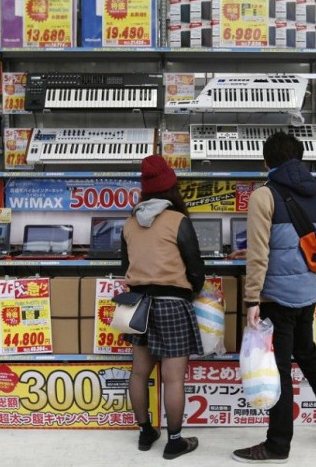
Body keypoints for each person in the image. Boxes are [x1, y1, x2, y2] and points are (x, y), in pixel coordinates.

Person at [232, 132, 316, 464]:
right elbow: (292, 241)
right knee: (309, 356)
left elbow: (260, 254)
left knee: (280, 369)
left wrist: (252, 300)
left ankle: (277, 444)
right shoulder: (312, 191)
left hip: (278, 297)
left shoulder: (264, 194)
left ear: (267, 161)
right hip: (306, 292)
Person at [120, 154, 205, 460]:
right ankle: (175, 440)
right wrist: (192, 290)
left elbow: (125, 266)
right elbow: (195, 267)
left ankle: (146, 432)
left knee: (139, 373)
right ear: (171, 187)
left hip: (135, 303)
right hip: (172, 302)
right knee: (173, 378)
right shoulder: (178, 221)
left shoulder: (129, 223)